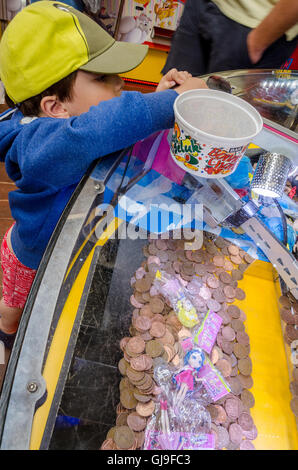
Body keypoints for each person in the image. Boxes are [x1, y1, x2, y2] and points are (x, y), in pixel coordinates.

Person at [0, 1, 207, 350]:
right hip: (34, 256)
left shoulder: (67, 124)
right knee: (15, 310)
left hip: (71, 239)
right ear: (54, 107)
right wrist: (170, 102)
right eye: (102, 78)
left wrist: (157, 97)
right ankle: (7, 338)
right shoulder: (37, 143)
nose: (120, 83)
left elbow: (109, 127)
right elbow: (97, 129)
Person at [162, 0, 298, 76]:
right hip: (200, 6)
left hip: (251, 23)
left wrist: (258, 40)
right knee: (172, 96)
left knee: (218, 116)